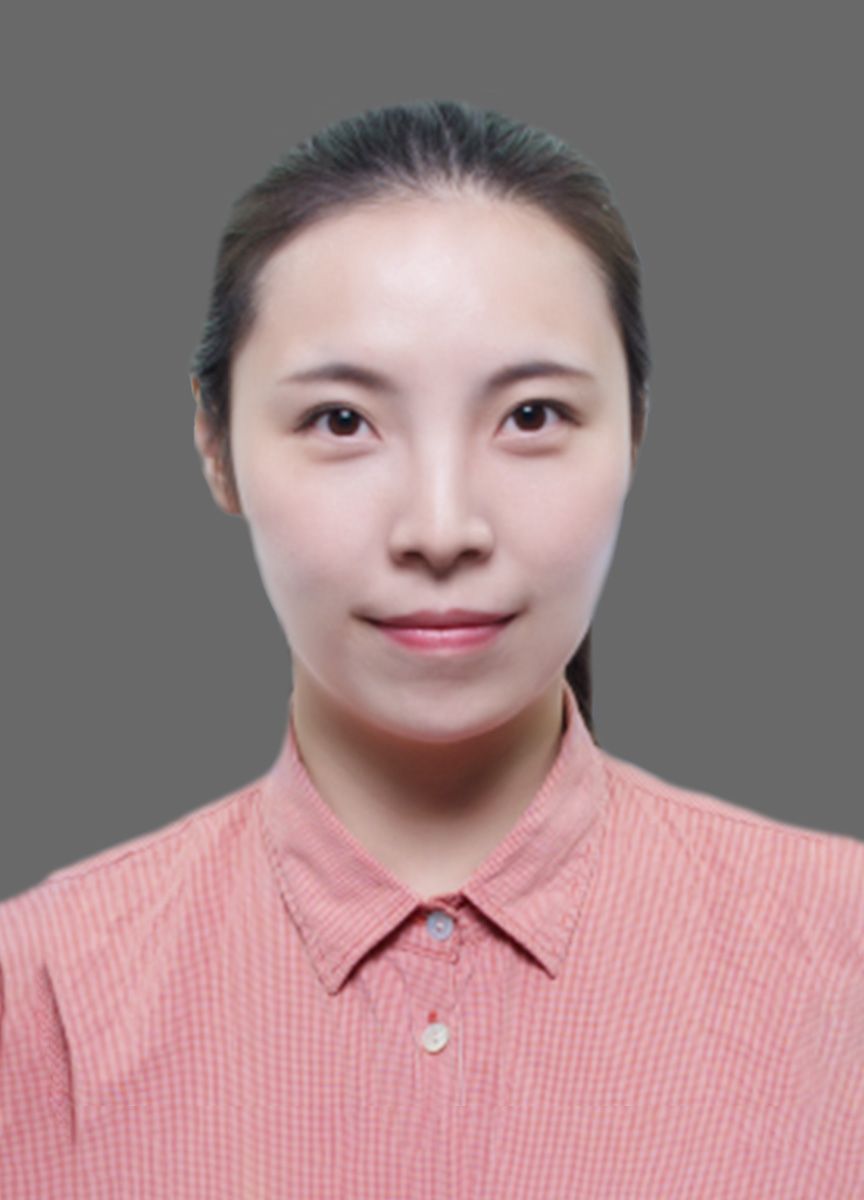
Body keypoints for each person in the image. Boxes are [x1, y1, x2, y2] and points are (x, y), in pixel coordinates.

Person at [0, 99, 861, 1197]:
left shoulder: (842, 957)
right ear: (216, 446)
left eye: (533, 416)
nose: (443, 528)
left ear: (637, 431)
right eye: (342, 420)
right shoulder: (42, 997)